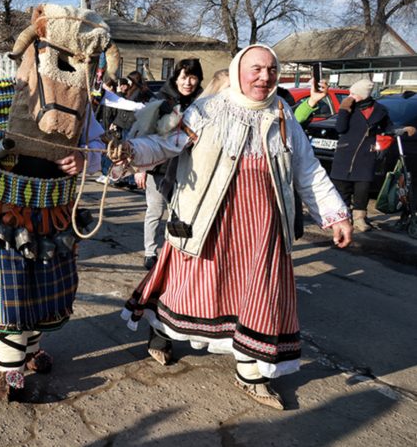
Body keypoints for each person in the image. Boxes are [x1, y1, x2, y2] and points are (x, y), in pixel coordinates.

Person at [113, 45, 353, 410]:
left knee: (259, 296)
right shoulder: (208, 109)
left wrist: (336, 215)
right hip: (210, 220)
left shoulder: (283, 113)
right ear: (239, 70)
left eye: (272, 69)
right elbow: (166, 144)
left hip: (264, 226)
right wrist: (130, 151)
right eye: (256, 69)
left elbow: (307, 169)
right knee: (189, 290)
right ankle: (161, 334)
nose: (265, 76)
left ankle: (251, 373)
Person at [0, 3, 112, 401]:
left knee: (44, 289)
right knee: (9, 290)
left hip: (55, 214)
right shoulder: (1, 93)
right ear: (38, 52)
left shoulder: (82, 105)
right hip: (5, 214)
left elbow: (97, 147)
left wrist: (87, 158)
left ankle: (33, 350)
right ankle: (10, 371)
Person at [132, 58, 204, 270]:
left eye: (193, 77)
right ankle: (150, 252)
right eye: (184, 77)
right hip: (160, 167)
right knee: (155, 210)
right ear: (176, 78)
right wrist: (141, 168)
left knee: (182, 213)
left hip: (191, 169)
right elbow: (145, 134)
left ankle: (175, 252)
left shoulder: (204, 102)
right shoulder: (161, 99)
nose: (188, 82)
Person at [330, 79, 416, 232]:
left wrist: (403, 129)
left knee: (362, 190)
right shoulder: (349, 107)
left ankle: (359, 219)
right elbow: (340, 129)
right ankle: (342, 219)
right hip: (345, 153)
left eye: (353, 94)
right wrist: (344, 110)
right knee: (342, 189)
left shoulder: (379, 110)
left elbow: (389, 127)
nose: (350, 96)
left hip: (365, 155)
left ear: (363, 95)